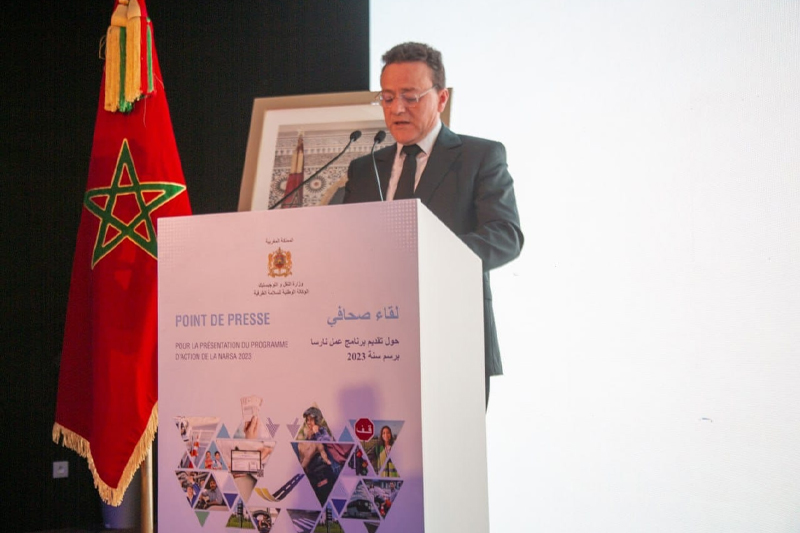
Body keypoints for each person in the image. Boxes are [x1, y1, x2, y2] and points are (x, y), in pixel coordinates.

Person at [345, 42, 524, 405]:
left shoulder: (479, 157)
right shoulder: (364, 169)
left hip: (453, 342)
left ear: (441, 99)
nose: (397, 108)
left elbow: (505, 235)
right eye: (387, 97)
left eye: (410, 97)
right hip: (371, 345)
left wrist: (430, 254)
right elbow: (344, 245)